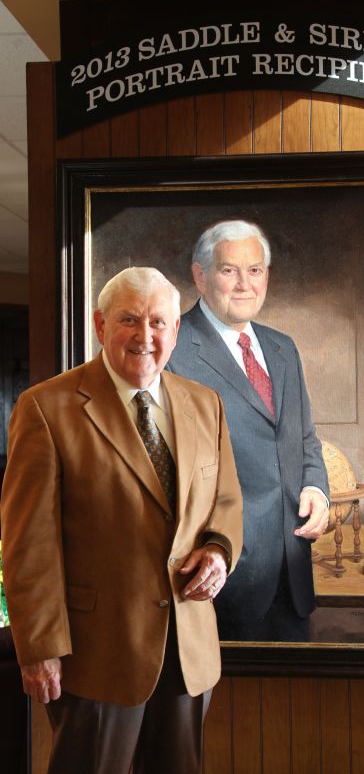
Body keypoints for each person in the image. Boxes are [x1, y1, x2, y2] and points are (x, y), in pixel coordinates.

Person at [0, 267, 243, 774]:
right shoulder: (46, 409)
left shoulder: (206, 406)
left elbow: (225, 503)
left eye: (158, 321)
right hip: (94, 656)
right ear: (100, 324)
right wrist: (38, 648)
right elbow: (28, 543)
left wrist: (219, 550)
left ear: (176, 330)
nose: (145, 335)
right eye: (129, 319)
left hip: (187, 651)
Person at [169, 220, 329, 643]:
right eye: (229, 270)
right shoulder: (171, 350)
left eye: (255, 270)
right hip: (221, 580)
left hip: (291, 572)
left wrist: (317, 488)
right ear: (200, 277)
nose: (244, 284)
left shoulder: (282, 348)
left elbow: (303, 438)